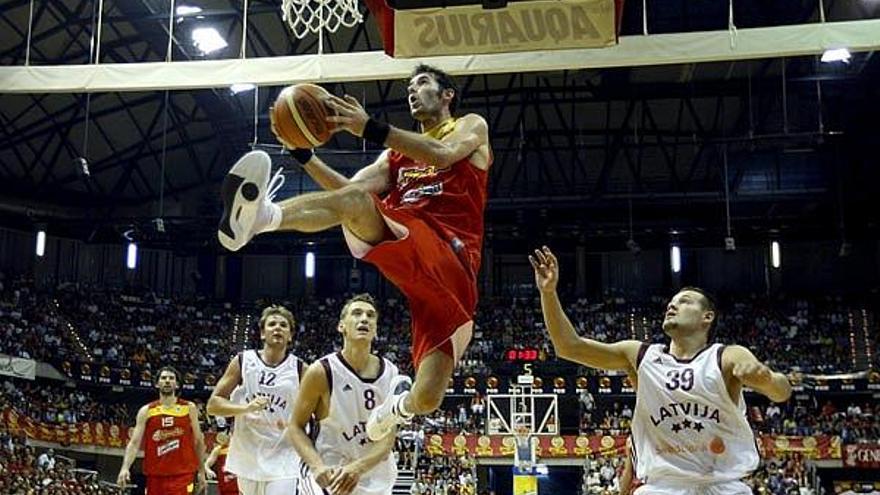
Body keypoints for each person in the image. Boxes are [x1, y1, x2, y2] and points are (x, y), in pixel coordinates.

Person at [218, 64, 492, 441]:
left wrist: (370, 128)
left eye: (423, 83)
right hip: (410, 239)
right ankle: (263, 218)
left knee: (427, 398)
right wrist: (304, 156)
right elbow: (347, 193)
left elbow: (442, 154)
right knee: (353, 201)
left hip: (452, 255)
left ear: (447, 95)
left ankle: (393, 409)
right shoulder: (393, 159)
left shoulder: (471, 125)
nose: (412, 90)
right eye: (409, 86)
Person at [529, 246, 792, 494]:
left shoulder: (725, 356)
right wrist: (549, 293)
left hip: (721, 485)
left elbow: (781, 392)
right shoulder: (640, 355)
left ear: (707, 317)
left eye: (685, 301)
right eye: (672, 302)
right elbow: (569, 347)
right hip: (661, 487)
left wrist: (767, 378)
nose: (672, 305)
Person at [288, 293, 400, 495]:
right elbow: (295, 426)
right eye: (356, 313)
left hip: (374, 473)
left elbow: (388, 437)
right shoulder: (321, 371)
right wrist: (316, 466)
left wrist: (358, 468)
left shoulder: (391, 372)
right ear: (341, 326)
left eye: (370, 315)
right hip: (330, 470)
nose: (364, 319)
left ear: (375, 330)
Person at [207, 305, 304, 495]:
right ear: (262, 333)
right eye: (272, 324)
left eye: (284, 325)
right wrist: (245, 408)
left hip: (284, 454)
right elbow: (213, 405)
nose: (278, 328)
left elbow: (318, 410)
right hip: (248, 454)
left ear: (290, 335)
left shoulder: (301, 368)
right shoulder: (243, 361)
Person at [117, 366, 206, 494]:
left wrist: (202, 471)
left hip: (182, 475)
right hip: (155, 476)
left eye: (171, 378)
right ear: (157, 384)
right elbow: (134, 443)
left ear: (177, 384)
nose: (167, 381)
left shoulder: (189, 408)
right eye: (163, 378)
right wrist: (125, 468)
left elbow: (198, 441)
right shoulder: (146, 411)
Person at [204, 431, 238, 495]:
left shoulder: (240, 449)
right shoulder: (218, 449)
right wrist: (208, 470)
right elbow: (207, 464)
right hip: (224, 485)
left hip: (238, 486)